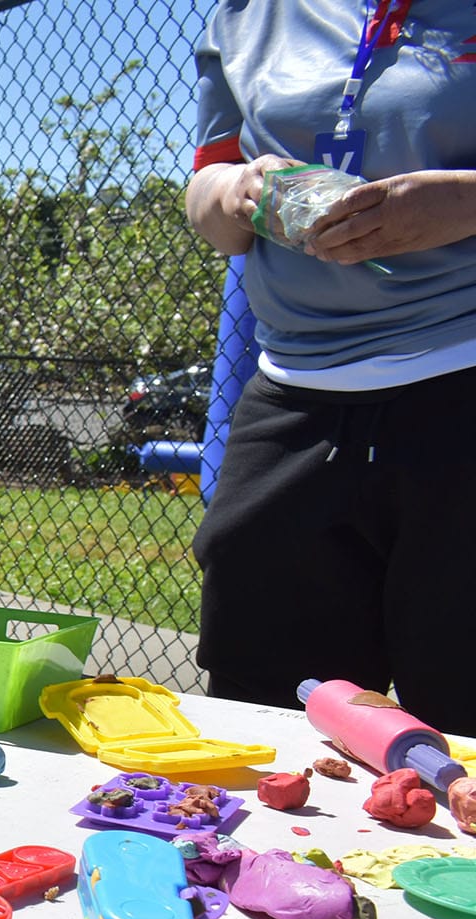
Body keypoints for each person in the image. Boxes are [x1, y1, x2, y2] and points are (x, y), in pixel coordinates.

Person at [185, 0, 476, 735]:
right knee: (261, 725)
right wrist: (236, 193)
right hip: (293, 399)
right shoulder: (246, 16)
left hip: (462, 385)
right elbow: (205, 189)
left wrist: (461, 202)